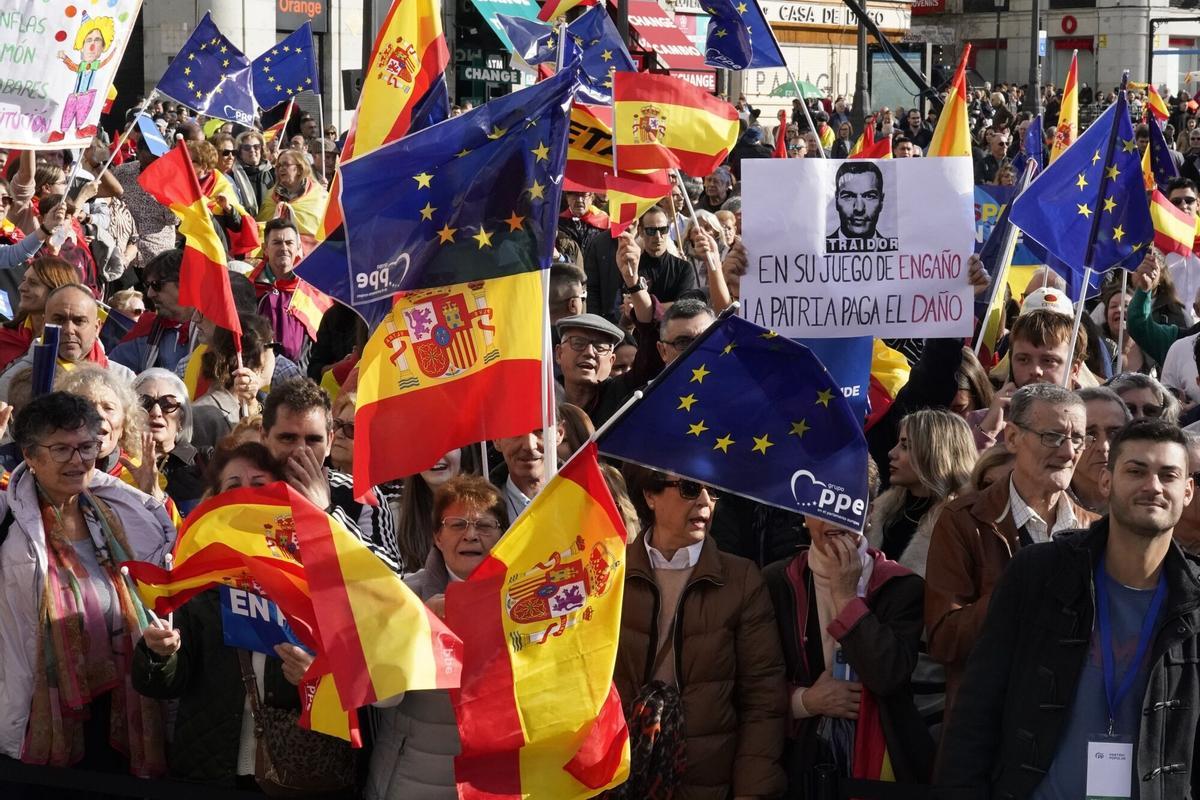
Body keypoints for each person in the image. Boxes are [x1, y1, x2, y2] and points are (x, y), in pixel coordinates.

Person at [937, 419, 1200, 798]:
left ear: (1187, 491)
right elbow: (977, 710)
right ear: (1106, 482)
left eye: (1168, 475)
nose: (1153, 486)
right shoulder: (1040, 574)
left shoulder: (1194, 600)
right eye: (1136, 470)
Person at [131, 442, 326, 788]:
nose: (246, 496)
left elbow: (354, 685)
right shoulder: (198, 574)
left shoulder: (316, 575)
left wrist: (313, 680)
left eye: (259, 483)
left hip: (289, 773)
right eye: (233, 485)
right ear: (216, 500)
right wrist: (159, 656)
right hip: (209, 770)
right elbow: (165, 685)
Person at [0, 392, 175, 776]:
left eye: (86, 447)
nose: (78, 460)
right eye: (61, 449)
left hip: (114, 710)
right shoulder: (8, 518)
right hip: (38, 711)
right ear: (29, 455)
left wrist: (158, 636)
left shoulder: (117, 513)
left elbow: (152, 582)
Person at [925, 384, 1099, 713]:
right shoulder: (964, 520)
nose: (1068, 452)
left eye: (1078, 438)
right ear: (1013, 437)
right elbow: (945, 640)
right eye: (1053, 437)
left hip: (1066, 723)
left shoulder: (1094, 531)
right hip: (990, 725)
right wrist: (1018, 588)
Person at [615, 465, 786, 798]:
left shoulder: (742, 579)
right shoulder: (609, 572)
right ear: (650, 495)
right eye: (691, 489)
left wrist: (752, 792)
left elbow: (763, 700)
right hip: (618, 776)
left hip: (707, 783)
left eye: (713, 490)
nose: (706, 503)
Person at [764, 495, 935, 793]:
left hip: (881, 760)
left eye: (845, 500)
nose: (833, 515)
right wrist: (805, 701)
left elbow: (889, 675)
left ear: (868, 510)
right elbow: (754, 683)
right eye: (822, 501)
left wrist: (846, 598)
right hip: (796, 760)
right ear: (804, 512)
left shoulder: (902, 586)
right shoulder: (775, 582)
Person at [367, 475, 509, 799]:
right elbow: (381, 695)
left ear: (503, 536)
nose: (471, 535)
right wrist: (418, 629)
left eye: (485, 526)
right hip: (413, 779)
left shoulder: (520, 600)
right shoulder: (404, 596)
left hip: (493, 782)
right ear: (437, 537)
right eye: (457, 524)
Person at [260, 378, 401, 572]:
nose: (301, 450)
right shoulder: (245, 488)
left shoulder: (360, 495)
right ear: (264, 437)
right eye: (288, 438)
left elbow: (392, 574)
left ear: (329, 443)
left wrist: (328, 515)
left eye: (313, 440)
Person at [871, 410, 976, 576]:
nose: (892, 453)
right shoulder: (879, 511)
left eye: (905, 446)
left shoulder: (961, 523)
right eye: (898, 443)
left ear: (935, 454)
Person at [0, 283, 134, 399]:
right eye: (59, 319)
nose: (69, 329)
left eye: (79, 321)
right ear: (44, 324)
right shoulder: (14, 381)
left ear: (97, 327)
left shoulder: (124, 379)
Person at [585, 206, 698, 323]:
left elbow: (684, 307)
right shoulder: (631, 267)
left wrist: (644, 305)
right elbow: (625, 308)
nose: (658, 236)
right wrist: (668, 306)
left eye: (663, 229)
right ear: (641, 232)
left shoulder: (683, 267)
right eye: (651, 231)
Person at [394, 447, 481, 573]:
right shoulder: (395, 517)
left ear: (464, 451)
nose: (435, 455)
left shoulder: (493, 508)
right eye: (425, 445)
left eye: (448, 445)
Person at [133, 368, 206, 516]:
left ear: (181, 418)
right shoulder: (117, 462)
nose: (156, 412)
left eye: (168, 404)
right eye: (145, 402)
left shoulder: (205, 462)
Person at [109, 250, 195, 373]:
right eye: (147, 286)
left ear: (184, 283)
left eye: (156, 285)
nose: (150, 294)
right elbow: (111, 370)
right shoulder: (148, 330)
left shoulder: (214, 333)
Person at [192, 315, 276, 432]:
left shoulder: (266, 408)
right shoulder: (201, 417)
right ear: (260, 358)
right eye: (272, 348)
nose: (275, 357)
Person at [249, 217, 312, 368]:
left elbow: (315, 341)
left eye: (289, 243)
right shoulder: (249, 287)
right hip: (258, 373)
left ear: (298, 247)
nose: (284, 248)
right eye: (277, 242)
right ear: (265, 248)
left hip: (300, 376)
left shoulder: (311, 290)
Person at [0, 255, 79, 373]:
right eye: (23, 280)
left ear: (56, 290)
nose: (21, 288)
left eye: (33, 283)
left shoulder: (75, 345)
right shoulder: (5, 336)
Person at [1071, 386, 1132, 514]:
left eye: (1114, 434)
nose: (1104, 447)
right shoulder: (1047, 499)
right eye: (1089, 434)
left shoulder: (1141, 502)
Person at [493, 424, 564, 523]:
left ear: (559, 434)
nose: (529, 446)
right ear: (497, 439)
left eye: (541, 430)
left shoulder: (585, 498)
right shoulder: (478, 511)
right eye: (515, 431)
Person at [256, 149, 329, 242]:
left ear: (299, 169)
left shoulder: (320, 195)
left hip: (311, 253)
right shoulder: (270, 195)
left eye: (286, 164)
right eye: (278, 166)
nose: (281, 169)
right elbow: (262, 228)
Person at [825, 162, 897, 254]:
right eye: (849, 196)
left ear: (881, 201)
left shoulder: (893, 251)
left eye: (869, 196)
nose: (859, 209)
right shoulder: (822, 248)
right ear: (836, 200)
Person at [228, 130, 274, 217]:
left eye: (256, 147)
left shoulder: (273, 172)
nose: (252, 150)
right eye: (246, 148)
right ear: (240, 152)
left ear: (262, 149)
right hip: (246, 224)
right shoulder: (232, 175)